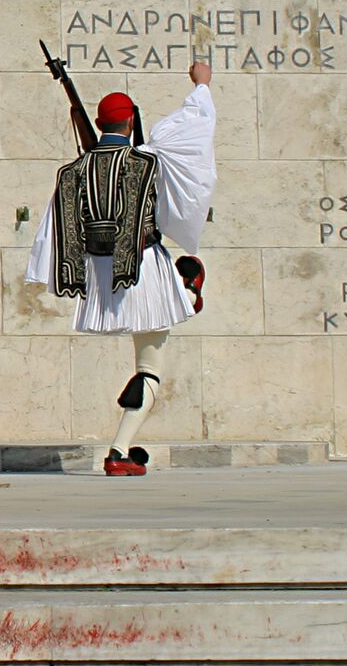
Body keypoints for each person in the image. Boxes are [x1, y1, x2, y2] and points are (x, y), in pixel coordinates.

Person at [26, 62, 216, 476]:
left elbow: (51, 229)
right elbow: (191, 131)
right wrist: (201, 86)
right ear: (131, 121)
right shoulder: (147, 160)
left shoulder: (73, 171)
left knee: (146, 360)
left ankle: (186, 290)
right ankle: (118, 452)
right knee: (150, 367)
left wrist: (45, 275)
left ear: (97, 122)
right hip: (144, 271)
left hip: (99, 276)